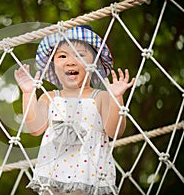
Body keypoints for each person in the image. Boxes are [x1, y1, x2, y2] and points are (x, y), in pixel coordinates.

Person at [14, 25, 135, 195]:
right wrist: (28, 93)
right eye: (62, 56)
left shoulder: (99, 97)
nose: (70, 61)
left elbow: (114, 131)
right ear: (53, 66)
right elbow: (35, 128)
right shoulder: (49, 97)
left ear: (94, 64)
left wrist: (117, 98)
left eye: (79, 55)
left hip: (90, 176)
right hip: (53, 176)